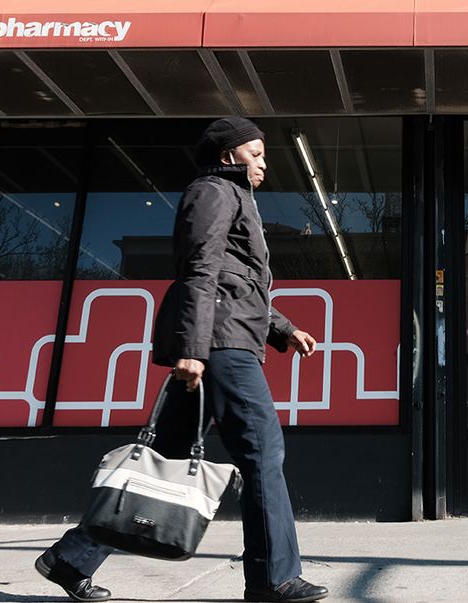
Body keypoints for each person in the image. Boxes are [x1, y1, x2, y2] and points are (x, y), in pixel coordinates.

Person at [35, 117, 328, 603]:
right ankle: (272, 578)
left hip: (222, 335)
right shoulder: (214, 191)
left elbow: (238, 284)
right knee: (263, 453)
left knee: (161, 457)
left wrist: (283, 328)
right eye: (254, 153)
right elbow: (200, 269)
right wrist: (192, 348)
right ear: (229, 154)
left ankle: (71, 558)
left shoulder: (236, 198)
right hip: (220, 344)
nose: (263, 162)